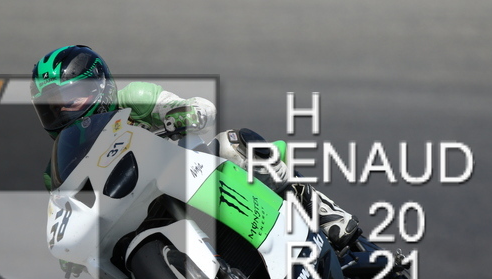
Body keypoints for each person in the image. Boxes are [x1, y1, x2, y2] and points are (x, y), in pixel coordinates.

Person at [30, 45, 360, 253]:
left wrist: (186, 114)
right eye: (50, 106)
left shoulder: (135, 99)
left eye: (68, 97)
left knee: (234, 144)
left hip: (192, 177)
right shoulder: (56, 170)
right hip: (137, 214)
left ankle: (323, 212)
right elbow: (68, 216)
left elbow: (198, 107)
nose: (61, 110)